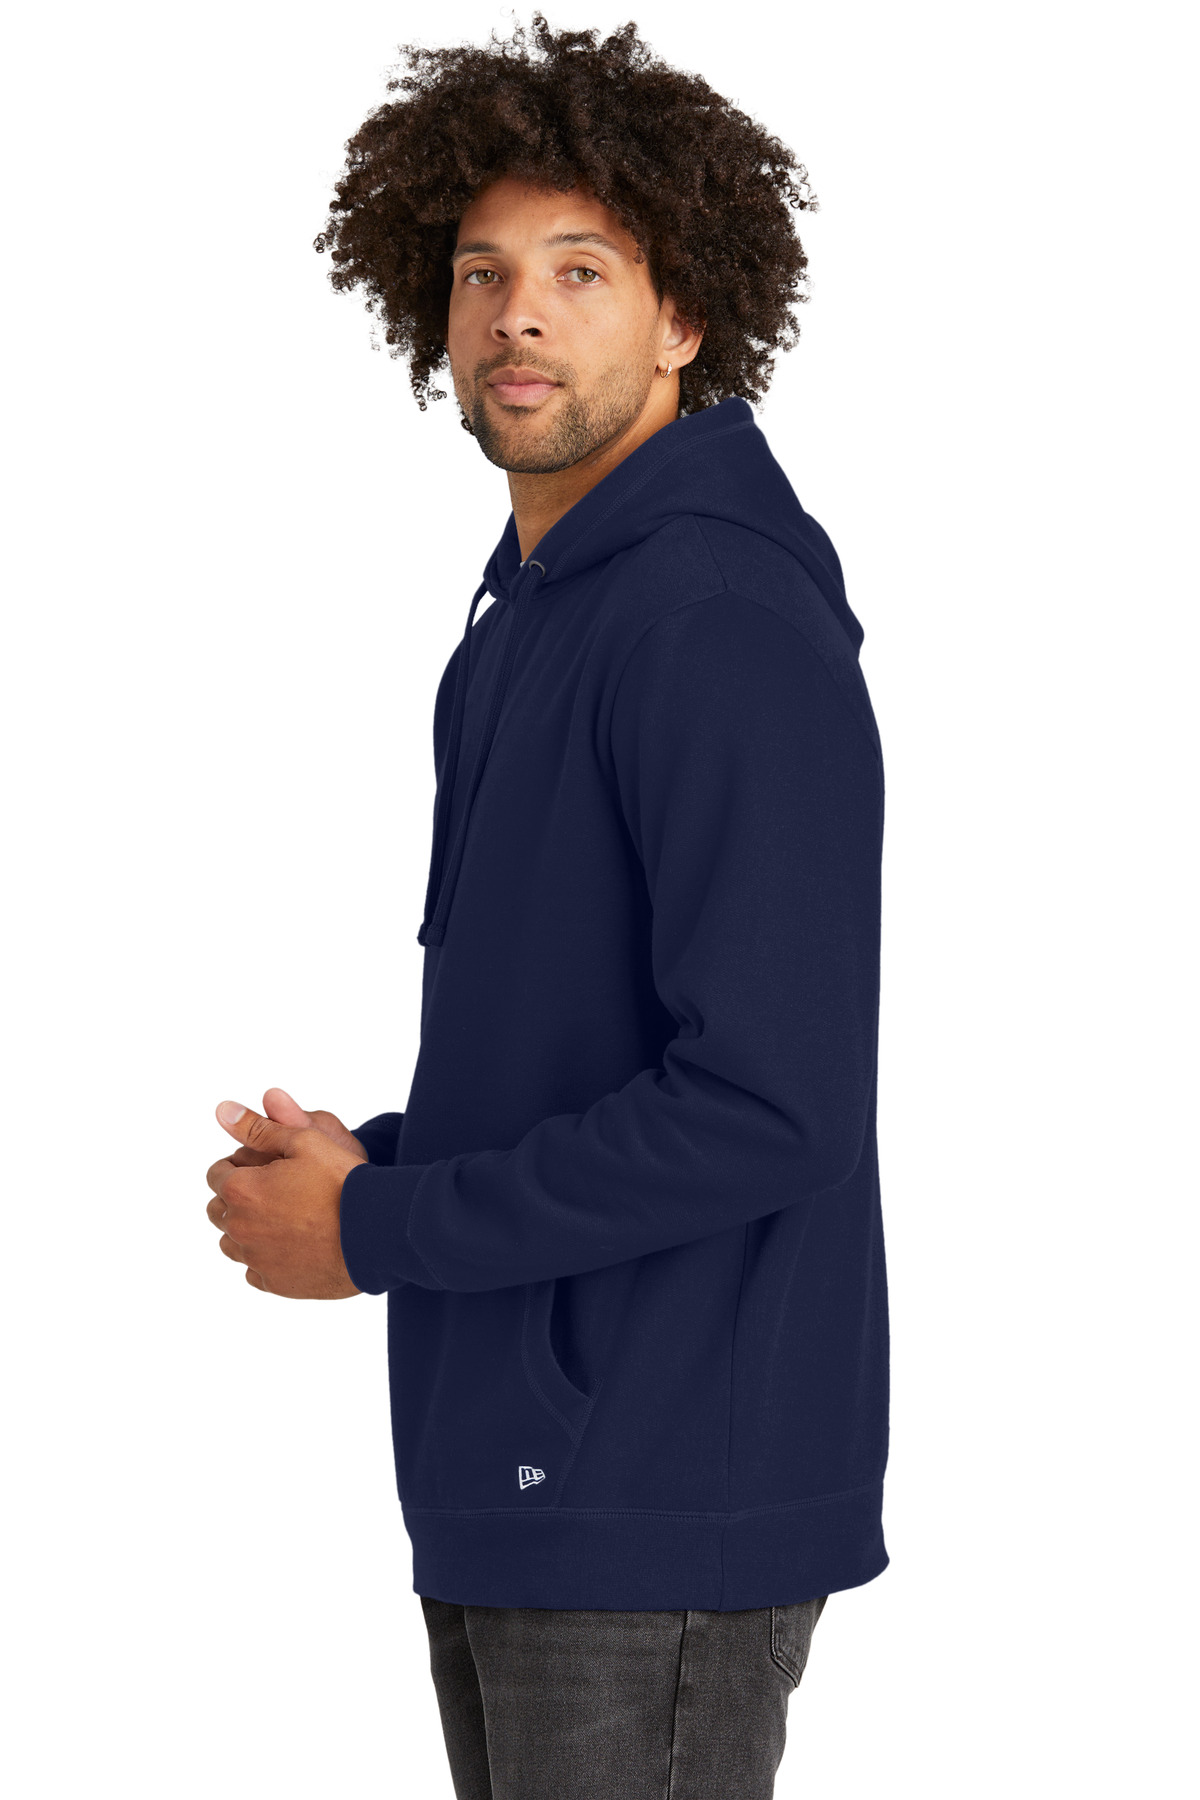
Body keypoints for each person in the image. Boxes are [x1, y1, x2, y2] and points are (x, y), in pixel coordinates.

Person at [204, 16, 888, 1797]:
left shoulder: (714, 621)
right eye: (483, 272)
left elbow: (773, 1103)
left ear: (685, 319)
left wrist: (379, 1231)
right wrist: (379, 1165)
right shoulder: (533, 616)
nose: (519, 315)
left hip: (656, 1488)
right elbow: (591, 1051)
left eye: (582, 272)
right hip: (522, 1464)